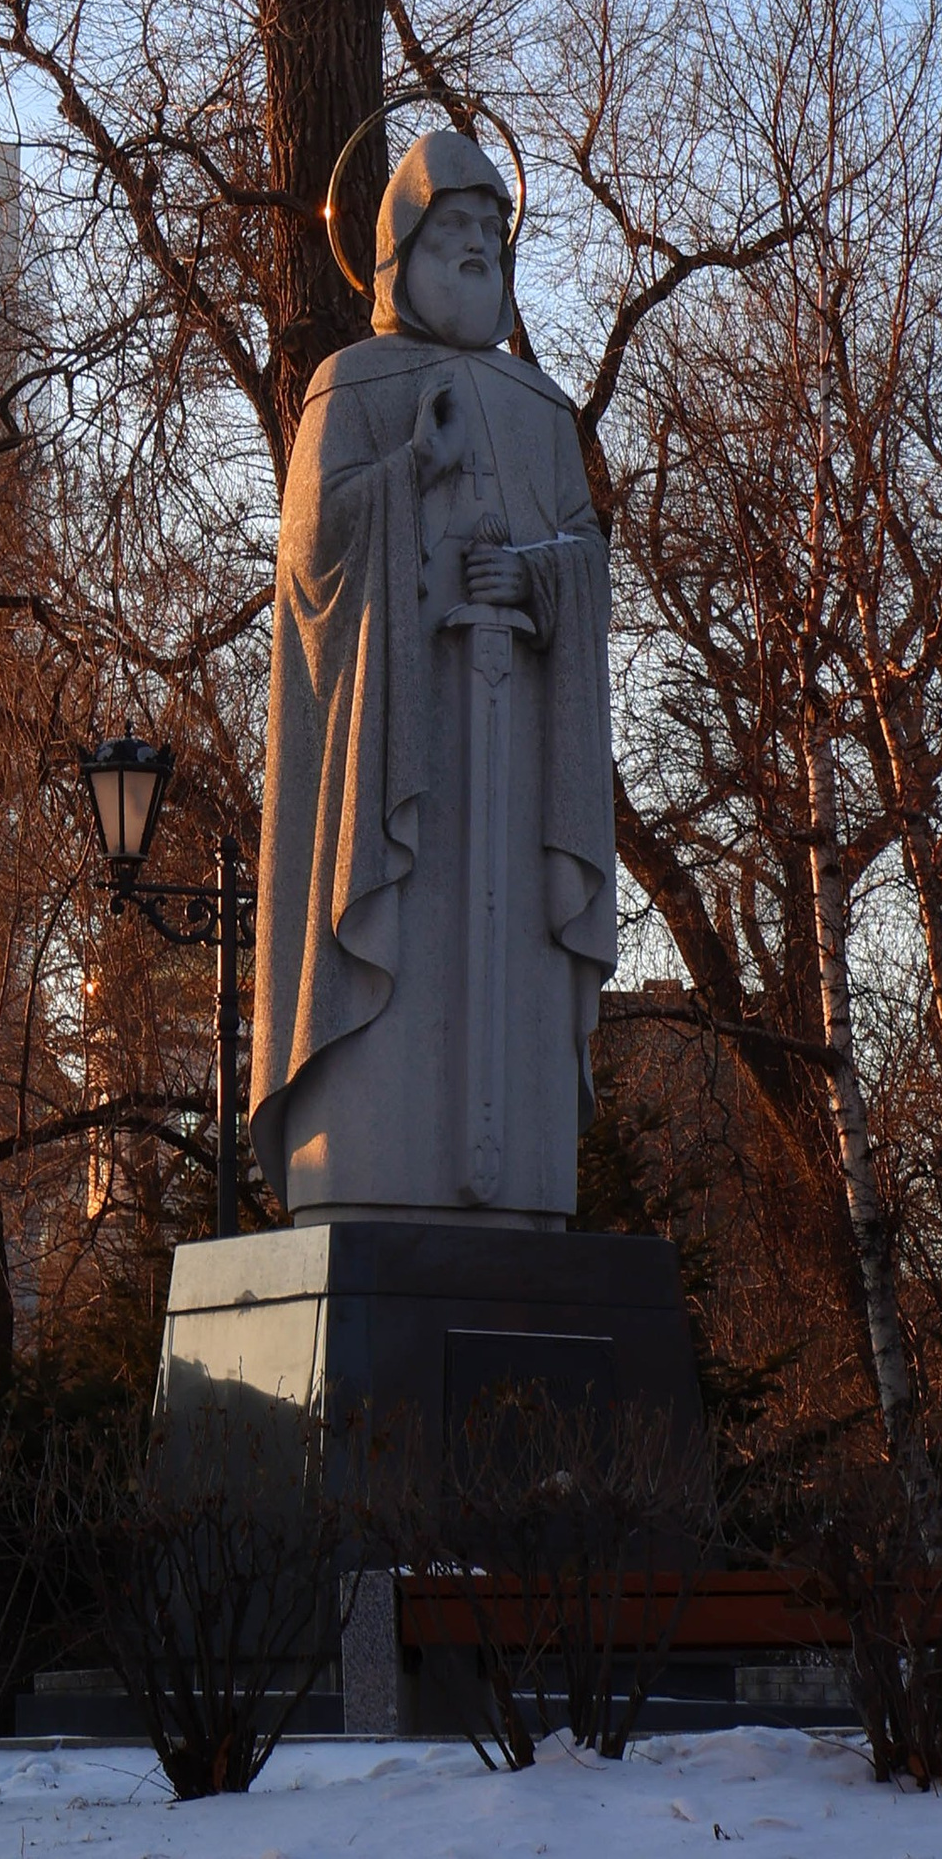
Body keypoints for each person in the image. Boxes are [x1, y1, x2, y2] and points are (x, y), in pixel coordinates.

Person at [248, 130, 615, 1223]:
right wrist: (417, 467)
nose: (474, 253)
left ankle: (519, 1185)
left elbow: (585, 557)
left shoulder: (543, 411)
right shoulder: (349, 384)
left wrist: (540, 578)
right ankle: (370, 1168)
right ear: (397, 252)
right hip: (390, 764)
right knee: (396, 1002)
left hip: (513, 775)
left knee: (508, 982)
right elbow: (311, 553)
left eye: (489, 237)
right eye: (450, 232)